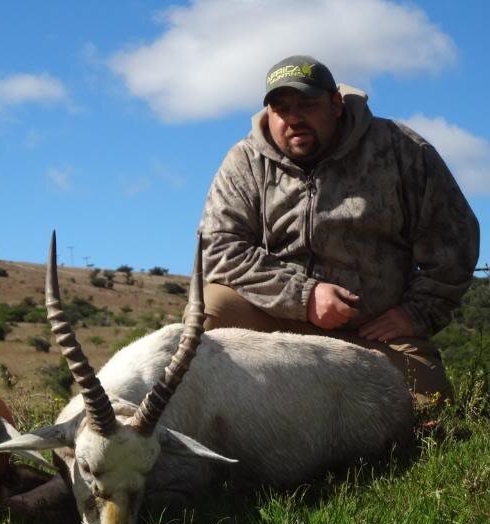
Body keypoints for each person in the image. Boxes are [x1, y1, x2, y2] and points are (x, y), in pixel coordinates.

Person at [197, 55, 480, 407]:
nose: (294, 118)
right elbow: (218, 249)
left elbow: (455, 242)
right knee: (212, 307)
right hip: (279, 329)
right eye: (281, 108)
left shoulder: (400, 149)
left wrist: (415, 313)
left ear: (335, 104)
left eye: (307, 104)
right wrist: (304, 297)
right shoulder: (245, 162)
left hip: (374, 338)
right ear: (268, 113)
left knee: (431, 405)